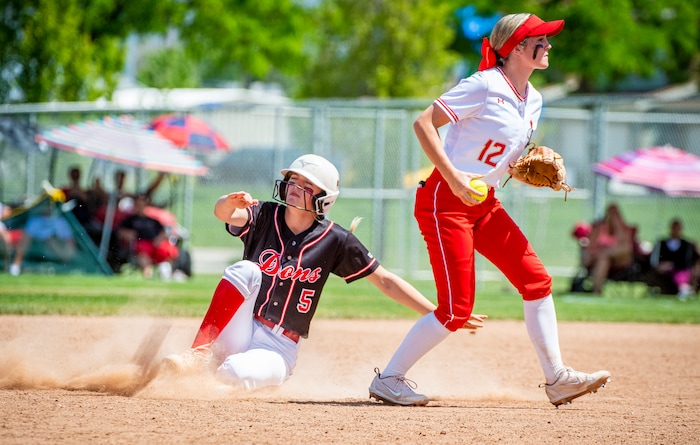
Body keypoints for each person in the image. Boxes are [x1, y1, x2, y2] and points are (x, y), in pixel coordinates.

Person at [368, 13, 610, 408]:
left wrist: (521, 168)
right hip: (444, 200)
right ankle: (390, 378)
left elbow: (497, 154)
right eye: (539, 40)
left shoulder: (534, 99)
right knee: (456, 309)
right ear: (515, 47)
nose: (548, 45)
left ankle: (558, 378)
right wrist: (455, 178)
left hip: (484, 202)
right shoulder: (483, 85)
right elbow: (423, 123)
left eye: (547, 40)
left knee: (537, 281)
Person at [162, 154, 486, 391]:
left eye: (306, 185)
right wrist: (228, 201)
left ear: (324, 199)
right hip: (243, 326)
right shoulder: (263, 215)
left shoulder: (335, 239)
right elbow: (225, 213)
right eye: (294, 180)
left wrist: (439, 313)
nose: (295, 186)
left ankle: (224, 372)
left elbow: (385, 281)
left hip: (278, 348)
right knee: (244, 269)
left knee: (231, 373)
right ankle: (200, 352)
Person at [116, 194, 179, 279]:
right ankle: (147, 275)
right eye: (138, 204)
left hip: (155, 243)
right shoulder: (130, 220)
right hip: (141, 243)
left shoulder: (153, 220)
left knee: (167, 249)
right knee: (143, 253)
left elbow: (163, 232)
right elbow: (120, 231)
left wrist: (159, 239)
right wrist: (128, 233)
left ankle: (167, 272)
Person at [9, 199, 76, 276]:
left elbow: (70, 241)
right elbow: (26, 239)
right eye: (45, 205)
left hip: (57, 251)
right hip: (38, 248)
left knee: (52, 240)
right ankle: (16, 266)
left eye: (49, 205)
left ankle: (67, 266)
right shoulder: (34, 221)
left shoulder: (60, 222)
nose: (46, 208)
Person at [581, 204, 637, 294]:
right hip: (598, 261)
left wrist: (616, 223)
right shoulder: (599, 228)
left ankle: (596, 290)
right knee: (603, 259)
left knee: (605, 256)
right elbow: (591, 247)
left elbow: (626, 248)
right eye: (610, 213)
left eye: (615, 214)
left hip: (620, 263)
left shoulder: (623, 231)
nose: (612, 216)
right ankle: (597, 290)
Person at [650, 219, 699, 300]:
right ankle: (685, 290)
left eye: (678, 228)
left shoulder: (687, 245)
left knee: (680, 275)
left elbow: (695, 258)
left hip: (682, 270)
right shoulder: (662, 244)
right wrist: (660, 266)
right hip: (666, 271)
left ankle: (684, 289)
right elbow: (654, 259)